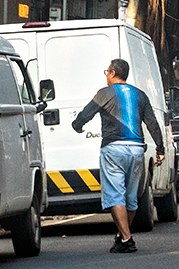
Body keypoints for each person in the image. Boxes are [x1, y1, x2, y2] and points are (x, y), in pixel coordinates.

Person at [71, 59, 166, 254]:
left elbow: (86, 114)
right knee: (131, 197)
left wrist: (77, 125)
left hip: (114, 150)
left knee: (115, 196)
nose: (106, 75)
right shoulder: (140, 95)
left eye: (107, 71)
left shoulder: (104, 93)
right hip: (137, 149)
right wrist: (160, 149)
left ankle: (127, 238)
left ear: (113, 73)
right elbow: (152, 123)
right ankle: (122, 237)